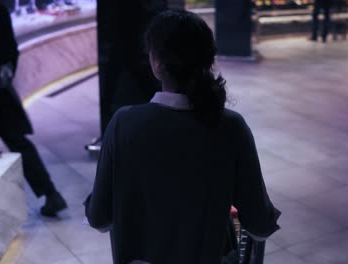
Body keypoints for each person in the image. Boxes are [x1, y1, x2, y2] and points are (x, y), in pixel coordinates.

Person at [84, 9, 280, 264]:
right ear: (209, 61)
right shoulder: (231, 127)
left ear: (156, 63)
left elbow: (99, 218)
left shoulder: (123, 124)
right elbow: (260, 225)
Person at [0, 1, 67, 217]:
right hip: (0, 85)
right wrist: (7, 70)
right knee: (18, 141)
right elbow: (11, 48)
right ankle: (51, 194)